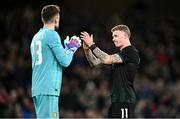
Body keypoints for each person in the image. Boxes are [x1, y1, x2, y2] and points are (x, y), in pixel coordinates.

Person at [30, 5, 81, 118]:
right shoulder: (52, 35)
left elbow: (49, 59)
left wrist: (65, 49)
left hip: (38, 88)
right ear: (56, 18)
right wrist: (71, 49)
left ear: (43, 18)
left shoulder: (36, 37)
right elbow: (65, 61)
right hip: (48, 89)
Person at [80, 24, 140, 118]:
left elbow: (106, 59)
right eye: (112, 36)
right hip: (116, 100)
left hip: (125, 100)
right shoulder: (119, 56)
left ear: (125, 36)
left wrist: (92, 45)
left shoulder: (131, 52)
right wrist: (87, 50)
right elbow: (94, 63)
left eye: (116, 36)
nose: (113, 39)